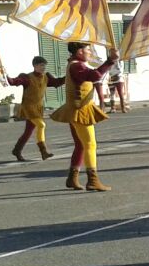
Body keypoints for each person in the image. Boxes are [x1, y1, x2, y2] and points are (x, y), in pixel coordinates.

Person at [49, 42, 115, 191]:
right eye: (87, 50)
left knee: (80, 145)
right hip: (80, 110)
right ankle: (93, 180)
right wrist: (110, 61)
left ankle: (72, 178)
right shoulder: (77, 66)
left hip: (75, 109)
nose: (90, 52)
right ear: (79, 52)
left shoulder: (74, 64)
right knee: (90, 144)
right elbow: (95, 76)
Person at [6, 55, 64, 162]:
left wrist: (69, 76)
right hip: (28, 108)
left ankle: (17, 150)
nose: (43, 68)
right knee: (41, 125)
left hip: (38, 108)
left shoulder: (46, 77)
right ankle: (44, 151)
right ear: (35, 66)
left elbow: (57, 82)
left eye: (44, 66)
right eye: (41, 65)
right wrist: (5, 75)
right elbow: (14, 82)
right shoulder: (27, 77)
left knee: (28, 132)